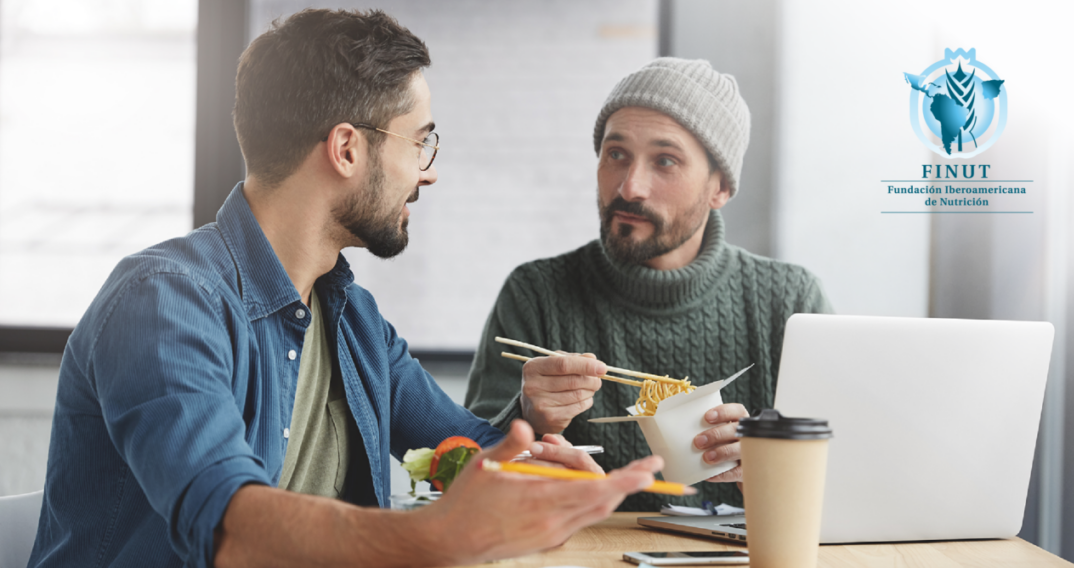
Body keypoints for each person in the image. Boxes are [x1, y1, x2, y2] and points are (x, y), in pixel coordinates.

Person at [28, 9, 663, 568]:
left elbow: (458, 451)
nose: (428, 172)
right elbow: (232, 533)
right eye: (420, 142)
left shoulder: (351, 315)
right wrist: (430, 539)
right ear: (346, 149)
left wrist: (531, 460)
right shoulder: (164, 302)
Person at [464, 57, 832, 512]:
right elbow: (464, 474)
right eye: (616, 154)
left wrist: (776, 476)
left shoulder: (791, 302)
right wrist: (524, 419)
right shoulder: (536, 293)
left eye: (665, 161)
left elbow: (847, 486)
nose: (630, 186)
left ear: (720, 188)